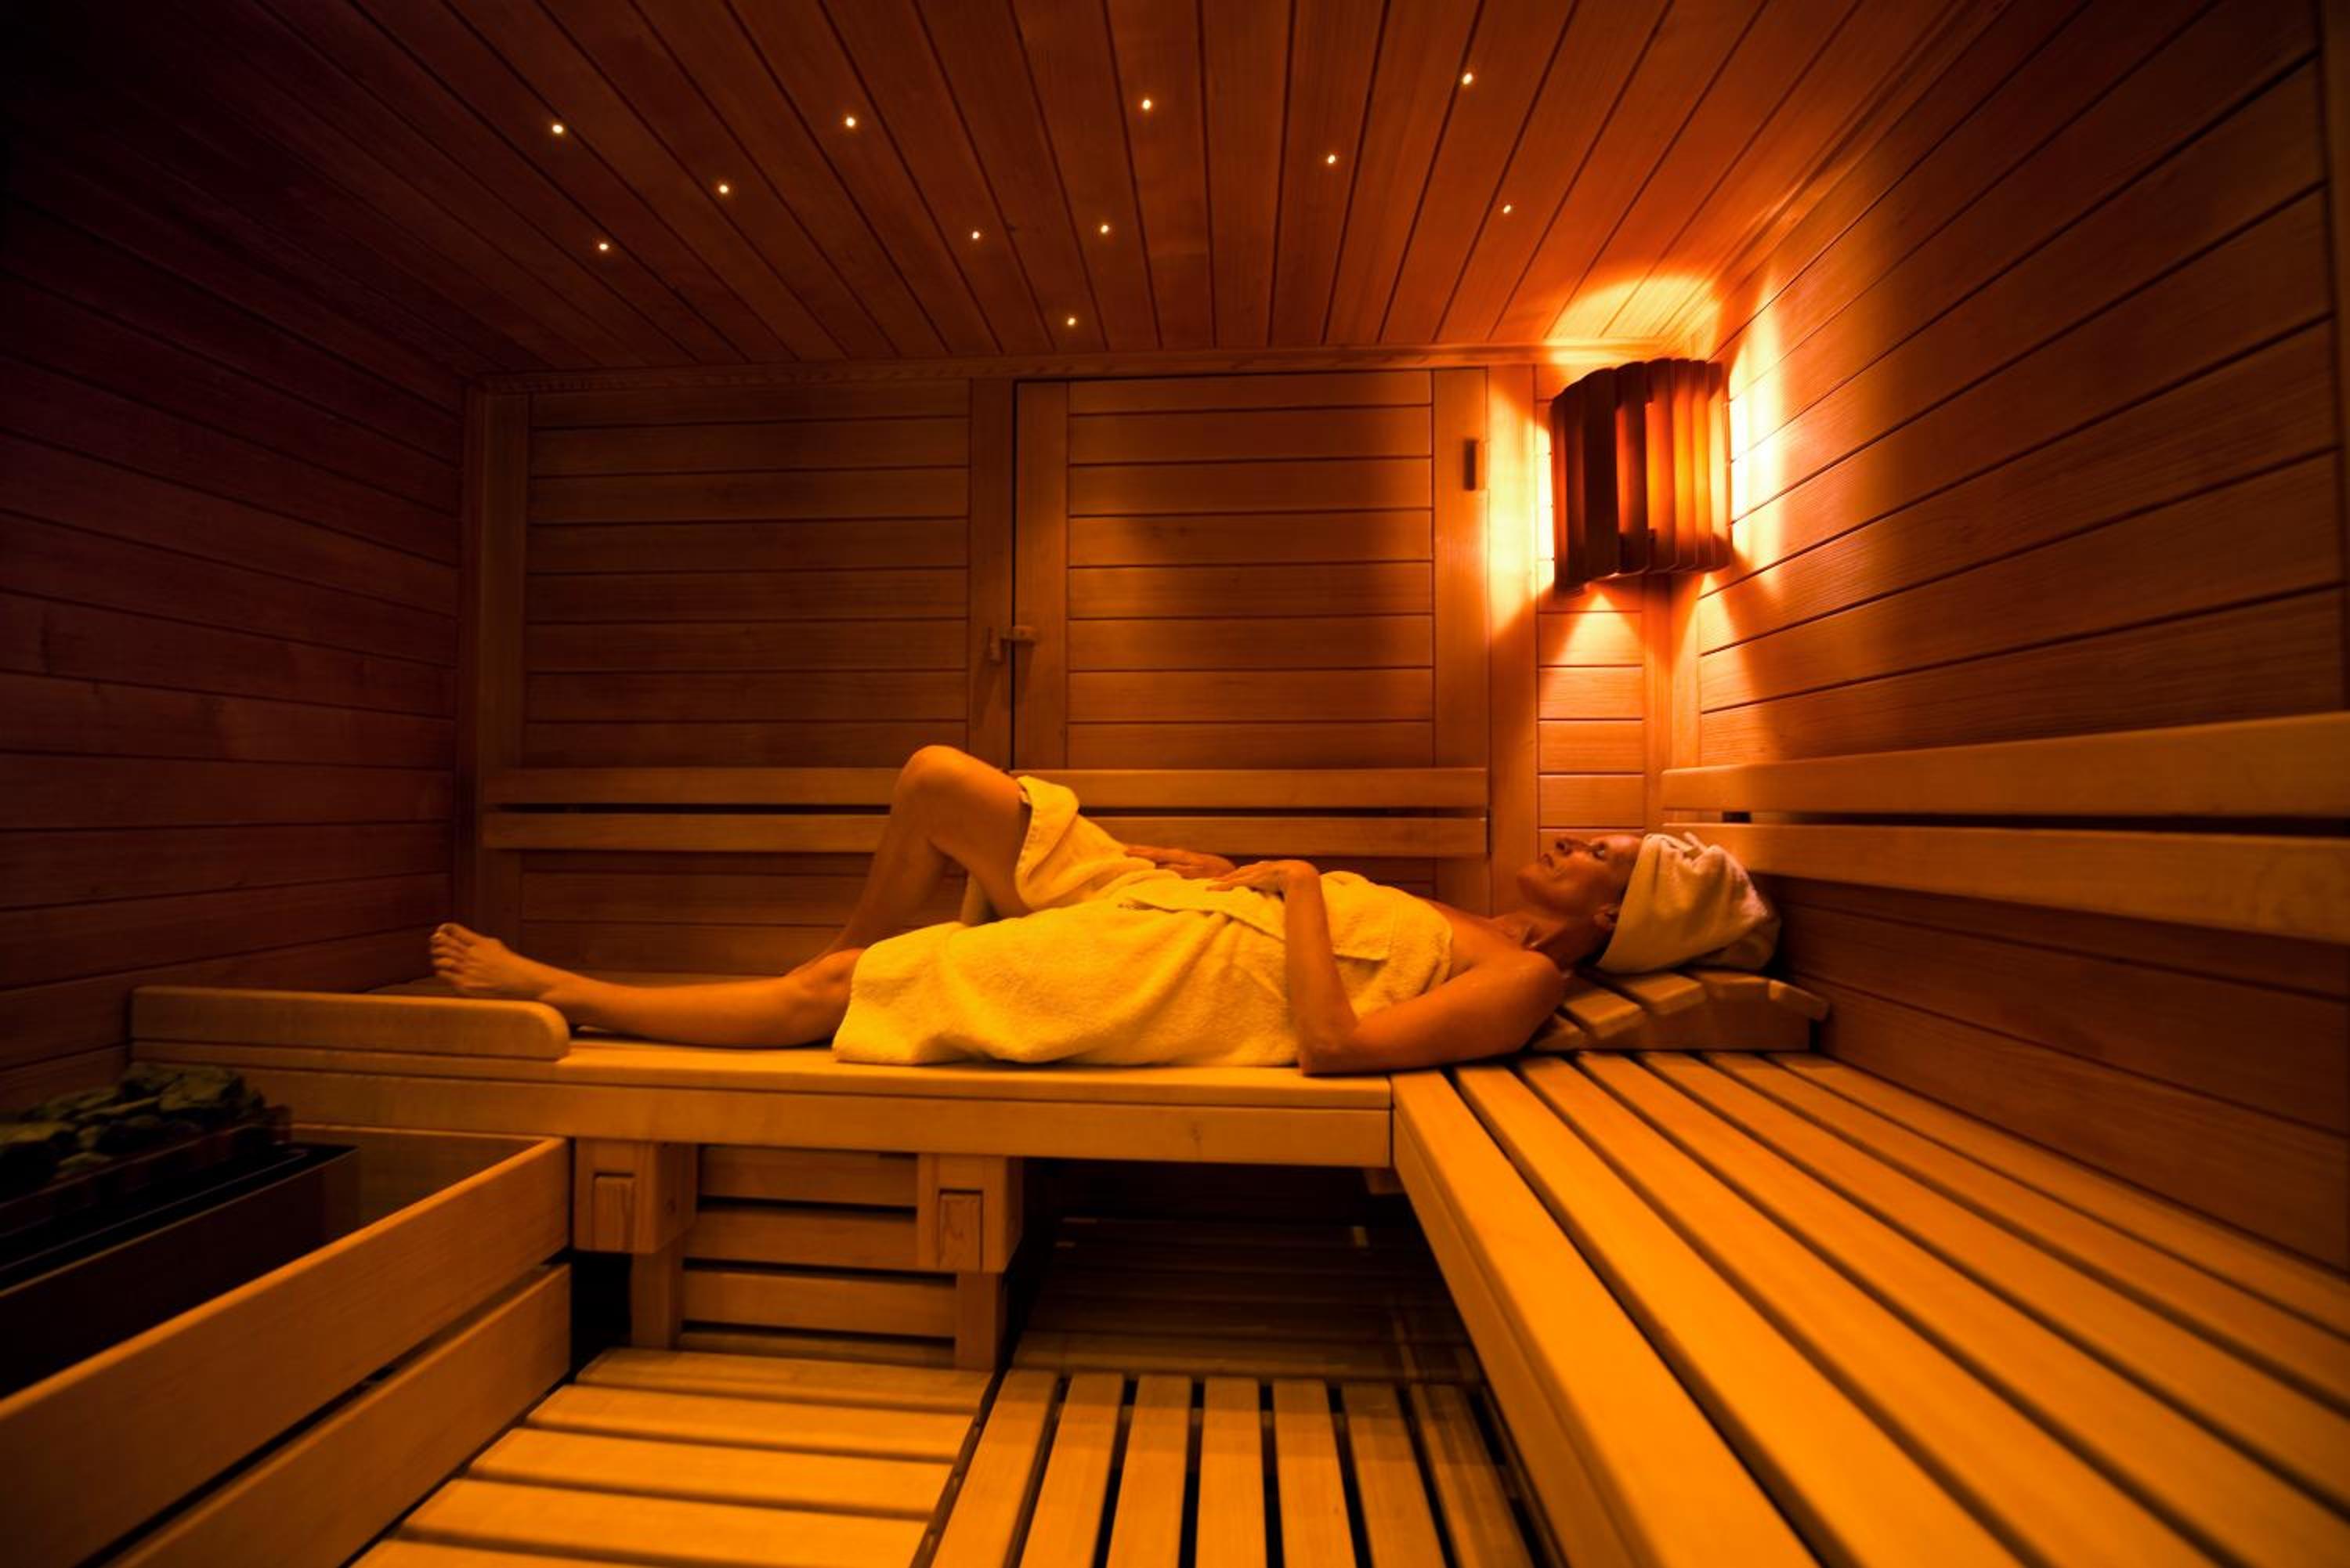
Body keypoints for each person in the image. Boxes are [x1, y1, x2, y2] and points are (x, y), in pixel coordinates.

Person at [430, 746, 1774, 1075]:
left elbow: (1334, 1043)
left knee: (831, 999)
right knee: (939, 782)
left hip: (1170, 979)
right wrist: (1227, 868)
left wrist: (1299, 884)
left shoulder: (1528, 984)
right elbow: (1320, 926)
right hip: (1175, 914)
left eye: (1600, 850)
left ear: (1622, 916)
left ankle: (565, 990)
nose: (1567, 838)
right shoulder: (1478, 921)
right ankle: (846, 963)